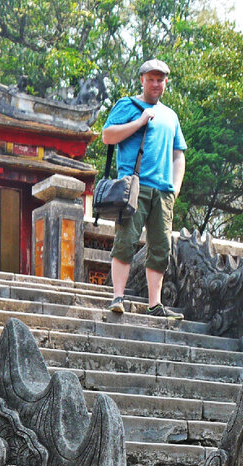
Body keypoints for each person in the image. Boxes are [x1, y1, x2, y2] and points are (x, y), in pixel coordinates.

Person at [101, 58, 186, 318]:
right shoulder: (128, 105)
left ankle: (155, 304)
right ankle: (118, 297)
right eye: (151, 79)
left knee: (160, 248)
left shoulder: (171, 115)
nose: (156, 84)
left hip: (163, 191)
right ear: (142, 80)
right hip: (134, 186)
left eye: (160, 80)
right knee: (126, 240)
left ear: (166, 82)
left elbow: (178, 153)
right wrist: (139, 122)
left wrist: (175, 187)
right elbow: (107, 136)